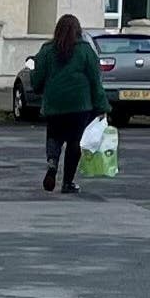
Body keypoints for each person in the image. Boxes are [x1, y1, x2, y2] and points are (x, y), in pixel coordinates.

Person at [23, 12, 109, 194]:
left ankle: (52, 165)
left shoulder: (47, 50)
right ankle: (68, 182)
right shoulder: (86, 51)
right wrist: (102, 107)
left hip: (54, 104)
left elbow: (37, 79)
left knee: (54, 136)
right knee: (74, 142)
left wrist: (37, 84)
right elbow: (96, 81)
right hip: (80, 105)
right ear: (78, 31)